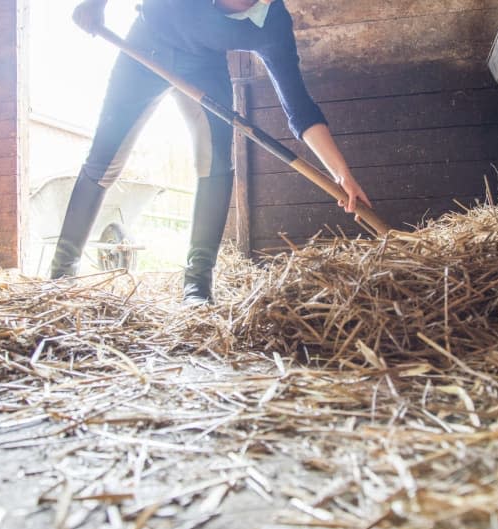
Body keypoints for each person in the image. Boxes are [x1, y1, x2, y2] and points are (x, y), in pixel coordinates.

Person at [50, 0, 373, 304]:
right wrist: (94, 4)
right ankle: (61, 276)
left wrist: (341, 174)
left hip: (203, 67)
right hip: (144, 47)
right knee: (104, 159)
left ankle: (197, 285)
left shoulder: (271, 24)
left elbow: (299, 109)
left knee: (216, 163)